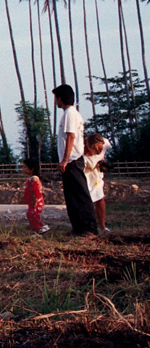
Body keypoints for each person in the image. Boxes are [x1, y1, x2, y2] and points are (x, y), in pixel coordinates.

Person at [54, 84, 98, 237]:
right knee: (71, 196)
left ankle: (90, 228)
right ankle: (78, 228)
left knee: (80, 194)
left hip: (72, 160)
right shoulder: (68, 113)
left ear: (60, 98)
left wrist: (65, 159)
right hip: (70, 161)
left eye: (56, 97)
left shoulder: (70, 114)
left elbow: (71, 136)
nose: (55, 101)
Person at [83, 133, 112, 234]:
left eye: (101, 148)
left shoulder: (105, 144)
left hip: (97, 176)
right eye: (97, 150)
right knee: (87, 203)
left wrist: (103, 160)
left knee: (100, 199)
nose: (100, 151)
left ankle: (103, 227)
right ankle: (88, 228)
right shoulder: (81, 154)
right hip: (86, 176)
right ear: (90, 147)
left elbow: (103, 151)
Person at [20, 157, 49, 235]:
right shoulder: (30, 178)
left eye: (25, 167)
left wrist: (35, 200)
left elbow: (36, 190)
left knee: (33, 215)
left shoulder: (34, 178)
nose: (23, 169)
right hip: (31, 201)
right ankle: (42, 228)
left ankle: (37, 230)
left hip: (35, 202)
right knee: (34, 216)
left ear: (31, 169)